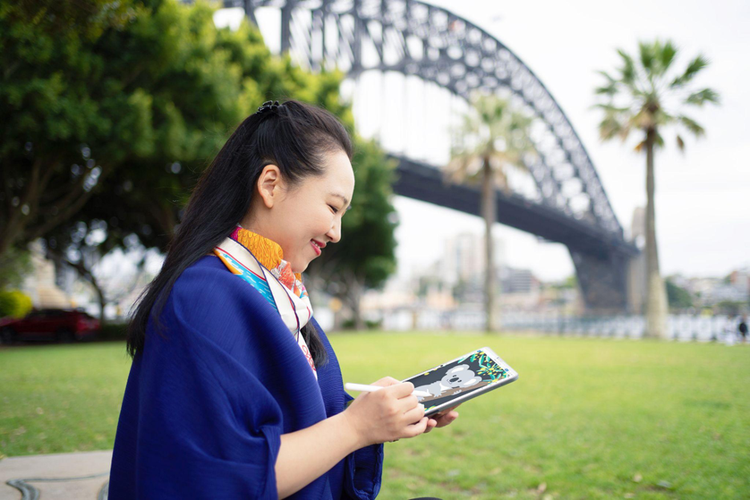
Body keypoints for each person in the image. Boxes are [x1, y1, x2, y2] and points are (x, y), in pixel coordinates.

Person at [108, 100, 459, 499]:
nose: (336, 232)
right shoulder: (202, 298)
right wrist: (355, 427)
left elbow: (303, 425)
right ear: (271, 184)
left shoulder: (274, 290)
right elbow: (217, 475)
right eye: (332, 207)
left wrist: (379, 414)